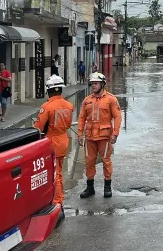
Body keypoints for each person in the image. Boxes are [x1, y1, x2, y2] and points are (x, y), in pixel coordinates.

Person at [78, 72, 122, 199]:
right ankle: (90, 187)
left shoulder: (111, 99)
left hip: (105, 136)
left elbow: (117, 117)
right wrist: (80, 134)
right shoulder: (87, 100)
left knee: (106, 161)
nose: (93, 86)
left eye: (96, 83)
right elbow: (81, 118)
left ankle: (107, 187)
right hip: (90, 137)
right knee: (89, 161)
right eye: (92, 84)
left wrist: (115, 134)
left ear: (102, 84)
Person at [32, 75, 73, 206]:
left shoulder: (47, 107)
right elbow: (68, 125)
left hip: (51, 143)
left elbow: (38, 128)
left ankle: (57, 200)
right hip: (63, 140)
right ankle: (58, 198)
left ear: (48, 90)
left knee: (55, 174)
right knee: (59, 170)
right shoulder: (69, 105)